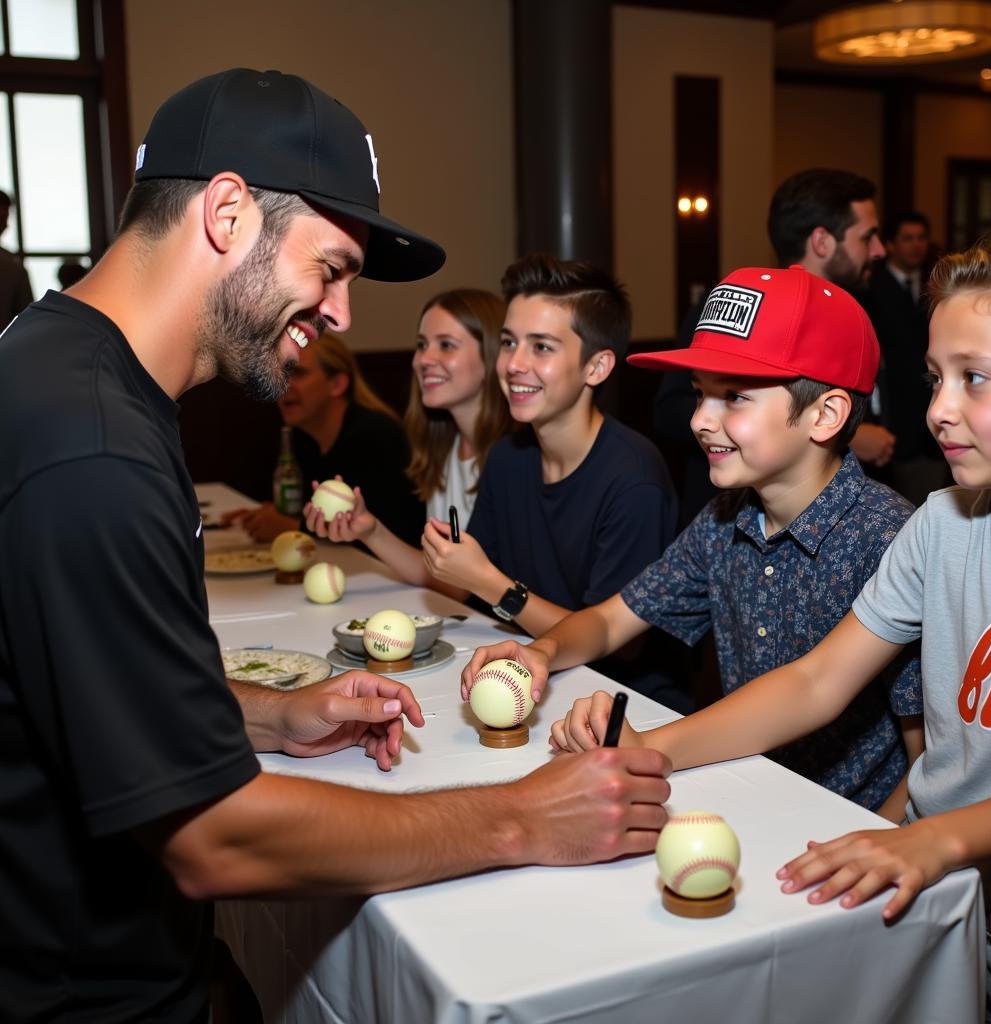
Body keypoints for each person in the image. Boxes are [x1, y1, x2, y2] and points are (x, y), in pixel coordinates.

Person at [0, 69, 671, 1022]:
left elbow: (88, 684)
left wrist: (272, 716)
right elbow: (214, 838)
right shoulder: (92, 447)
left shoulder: (67, 369)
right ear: (227, 213)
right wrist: (527, 813)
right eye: (332, 269)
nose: (343, 317)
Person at [550, 235, 991, 1023]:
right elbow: (815, 681)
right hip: (951, 900)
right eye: (936, 378)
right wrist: (650, 751)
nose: (938, 409)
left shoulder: (893, 521)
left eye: (974, 379)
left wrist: (932, 837)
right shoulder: (942, 526)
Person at [465, 265, 923, 815]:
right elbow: (613, 619)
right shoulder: (725, 516)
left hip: (845, 822)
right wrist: (541, 652)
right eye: (699, 394)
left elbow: (925, 756)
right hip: (743, 791)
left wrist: (879, 844)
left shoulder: (888, 538)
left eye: (734, 397)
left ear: (824, 414)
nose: (700, 420)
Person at [420, 253, 686, 709]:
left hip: (628, 704)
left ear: (596, 368)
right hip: (533, 677)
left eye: (541, 347)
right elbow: (470, 583)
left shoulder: (634, 480)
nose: (513, 364)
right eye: (508, 342)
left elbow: (621, 644)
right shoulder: (507, 457)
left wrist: (492, 584)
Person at [653, 168, 894, 516]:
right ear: (822, 241)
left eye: (735, 395)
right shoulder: (733, 304)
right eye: (866, 236)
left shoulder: (863, 308)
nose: (878, 250)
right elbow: (668, 409)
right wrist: (851, 437)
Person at [307, 288, 513, 585]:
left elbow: (464, 588)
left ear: (492, 356)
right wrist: (370, 530)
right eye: (421, 344)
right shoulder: (444, 451)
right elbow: (446, 580)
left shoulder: (518, 459)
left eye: (446, 345)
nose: (423, 359)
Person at [222, 330, 424, 543]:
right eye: (281, 373)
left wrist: (289, 527)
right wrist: (267, 516)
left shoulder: (376, 437)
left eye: (298, 373)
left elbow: (384, 532)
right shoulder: (303, 438)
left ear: (336, 385)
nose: (283, 385)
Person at [865, 211, 952, 506]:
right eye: (907, 238)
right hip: (890, 427)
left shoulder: (938, 283)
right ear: (890, 244)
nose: (916, 245)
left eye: (921, 238)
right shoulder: (871, 287)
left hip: (932, 428)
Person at [0, 190, 33, 326]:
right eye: (2, 220)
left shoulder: (13, 266)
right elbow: (26, 321)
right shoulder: (13, 267)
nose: (6, 226)